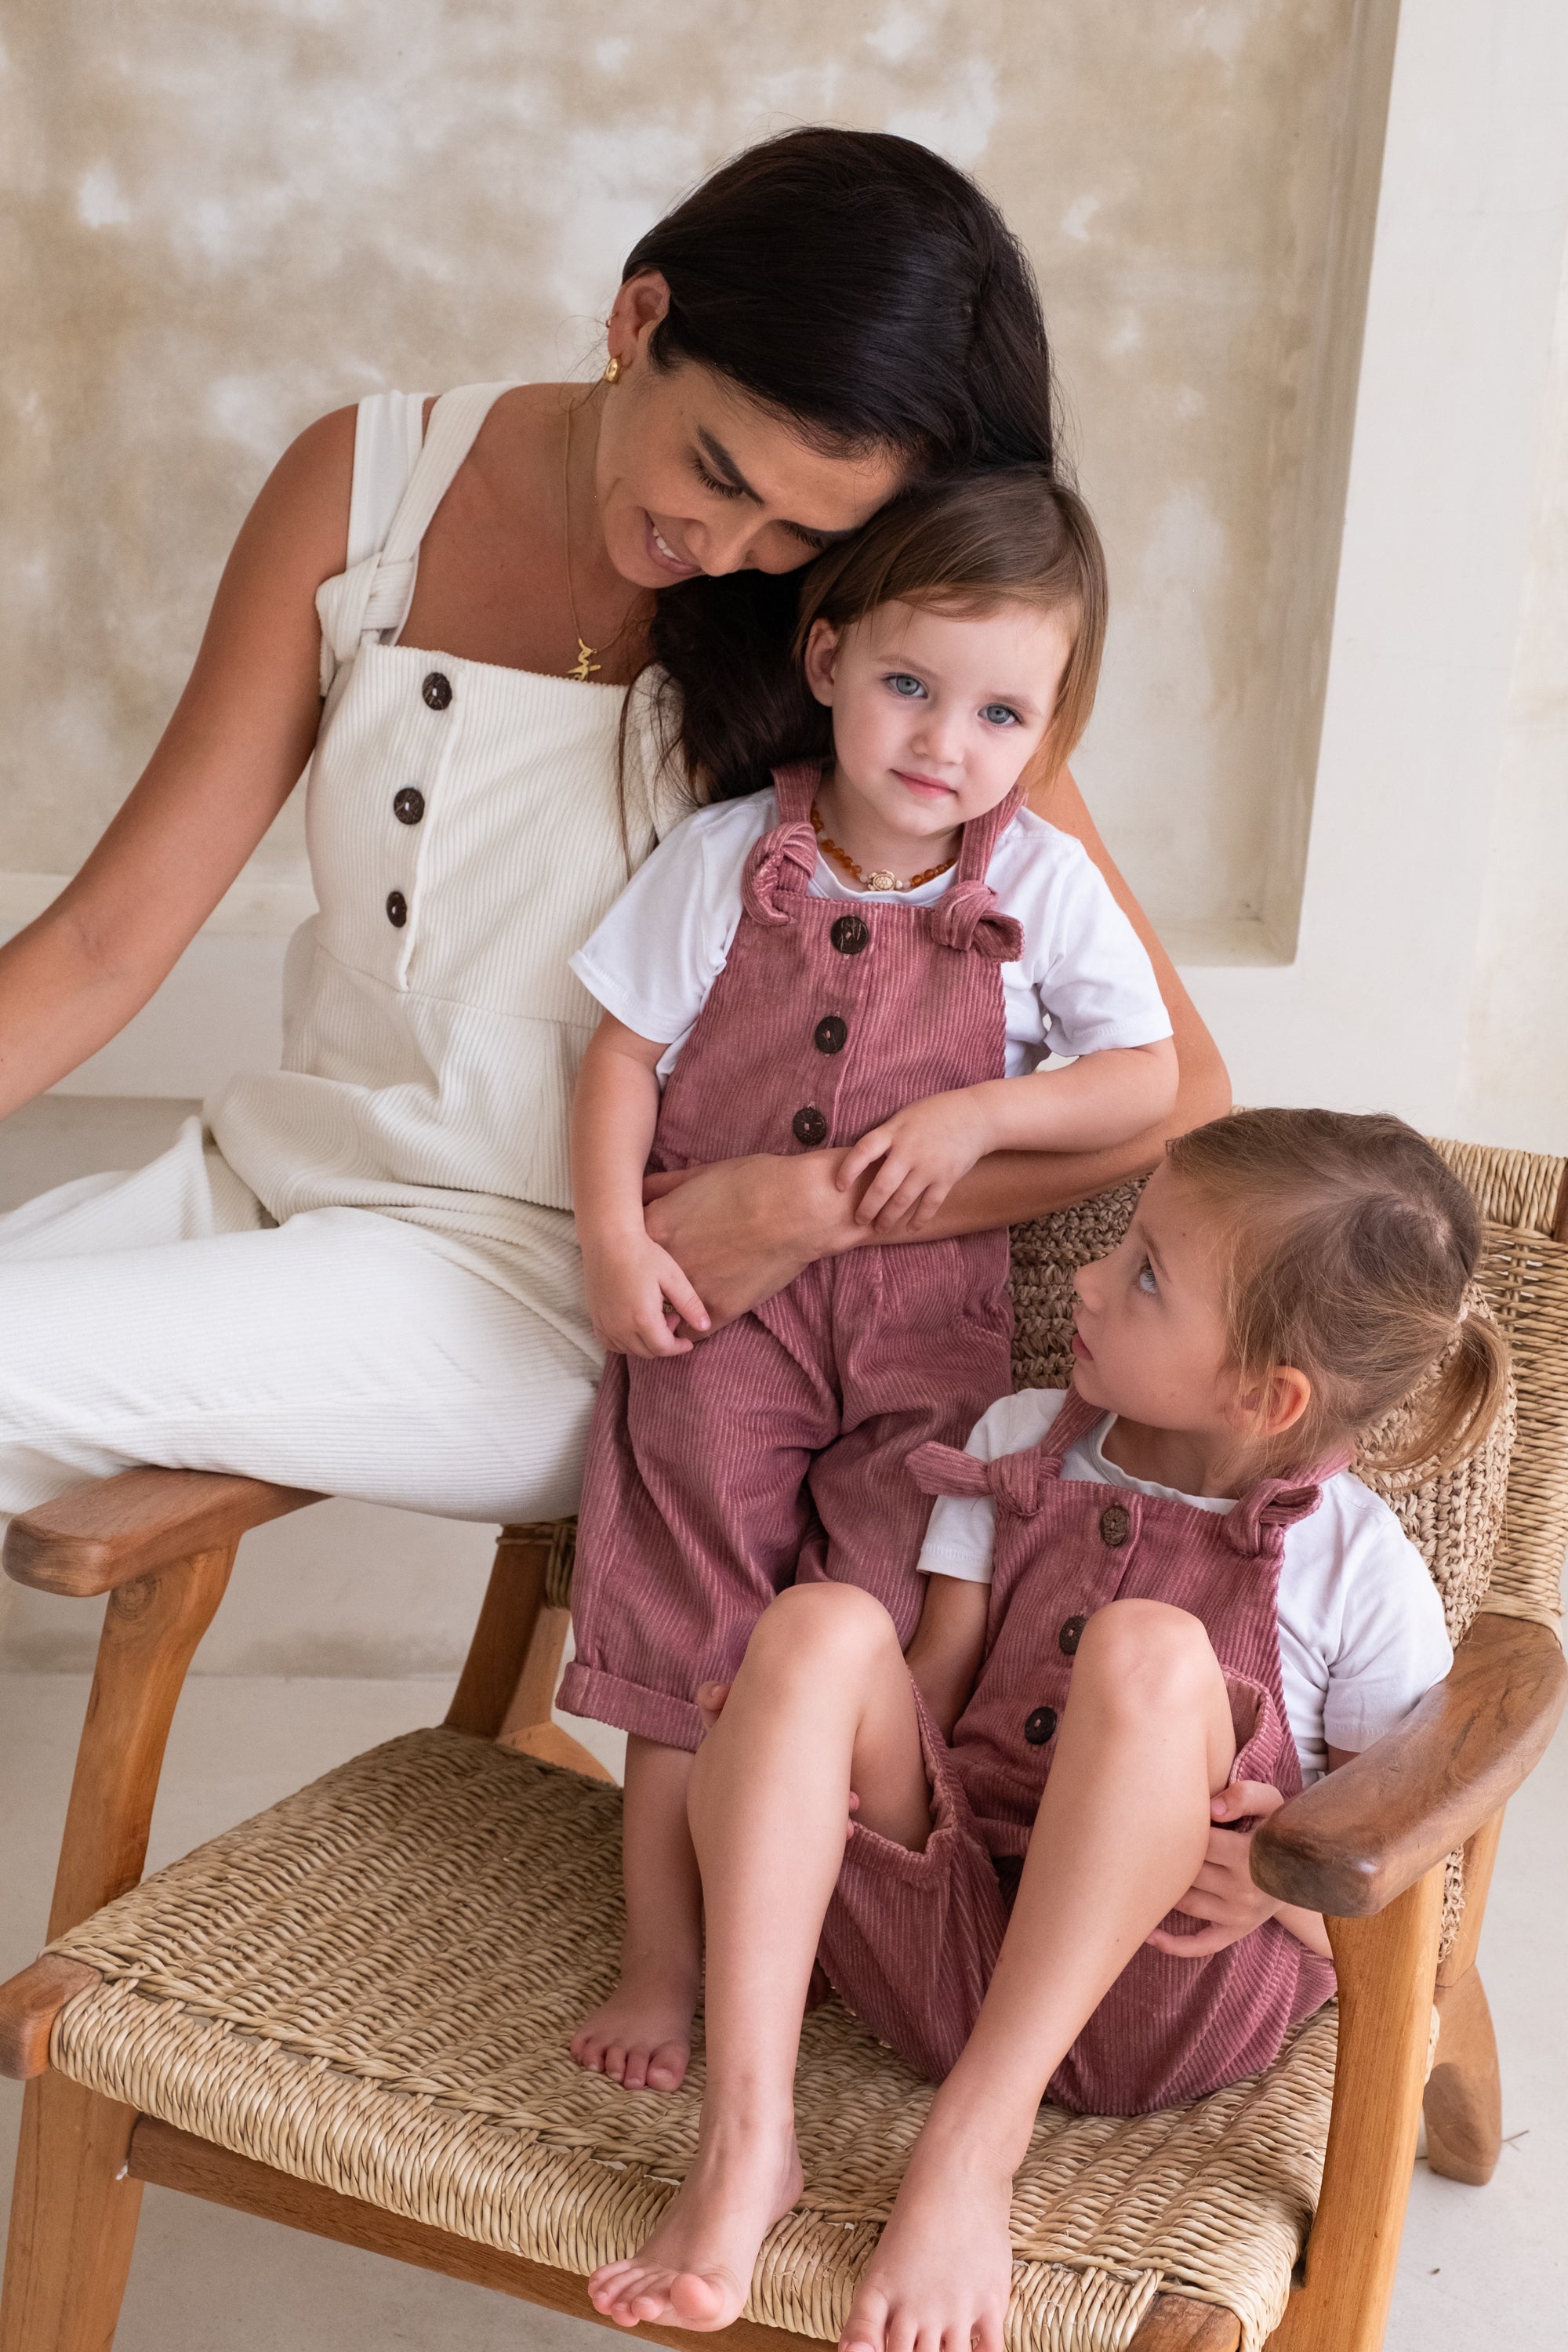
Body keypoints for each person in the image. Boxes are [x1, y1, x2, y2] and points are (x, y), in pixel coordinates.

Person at [0, 127, 1225, 1537]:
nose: (729, 551)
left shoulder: (884, 653)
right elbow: (102, 943)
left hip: (569, 1288)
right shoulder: (372, 482)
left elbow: (1181, 1094)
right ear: (640, 317)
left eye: (799, 533)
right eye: (720, 471)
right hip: (272, 1182)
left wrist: (811, 1208)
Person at [583, 1109, 1508, 2348]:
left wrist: (1277, 1886)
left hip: (1160, 1995)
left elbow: (1402, 1881)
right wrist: (791, 1734)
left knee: (1150, 1650)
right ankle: (746, 2147)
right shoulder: (1019, 1440)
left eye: (1145, 1274)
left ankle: (972, 2151)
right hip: (941, 1946)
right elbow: (935, 1688)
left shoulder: (1361, 1571)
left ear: (1263, 1393)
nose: (1088, 1278)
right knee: (812, 1630)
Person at [562, 466, 1177, 2093]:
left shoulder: (1039, 884)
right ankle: (663, 1959)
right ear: (828, 659)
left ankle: (828, 1937)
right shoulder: (728, 857)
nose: (942, 742)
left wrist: (983, 1113)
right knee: (687, 1631)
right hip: (718, 1324)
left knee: (882, 1637)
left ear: (1045, 732)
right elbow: (619, 1057)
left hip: (925, 1344)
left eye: (999, 713)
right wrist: (613, 1239)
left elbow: (1146, 1079)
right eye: (909, 683)